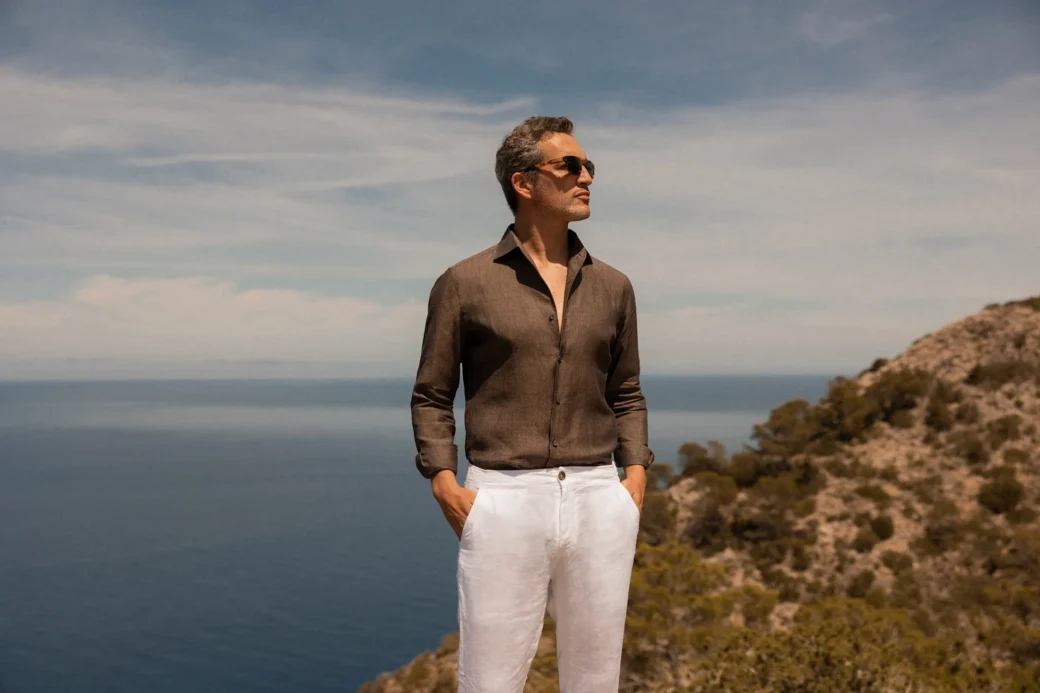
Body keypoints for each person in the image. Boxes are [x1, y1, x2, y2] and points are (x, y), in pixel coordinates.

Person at [410, 116, 654, 692]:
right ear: (524, 183)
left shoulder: (614, 287)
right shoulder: (464, 282)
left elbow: (626, 391)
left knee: (595, 681)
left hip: (601, 497)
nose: (586, 177)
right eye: (570, 165)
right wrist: (443, 481)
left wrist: (635, 477)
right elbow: (432, 394)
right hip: (504, 499)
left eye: (588, 166)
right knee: (490, 682)